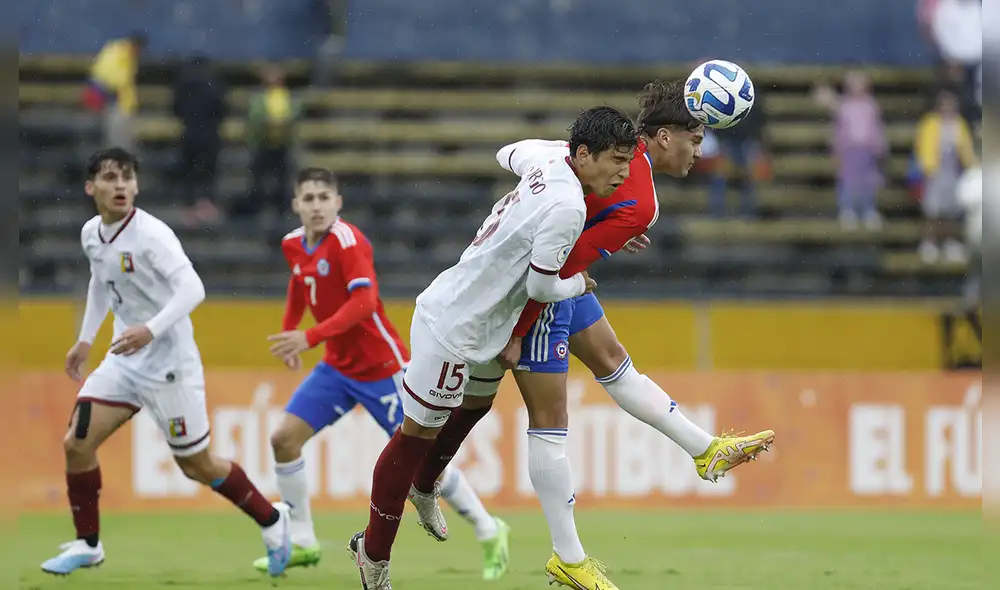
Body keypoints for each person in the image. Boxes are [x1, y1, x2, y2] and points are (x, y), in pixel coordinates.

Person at [405, 81, 775, 590]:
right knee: (548, 419)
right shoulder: (639, 200)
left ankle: (704, 448)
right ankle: (568, 557)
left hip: (545, 281)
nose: (699, 152)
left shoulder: (618, 161)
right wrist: (518, 330)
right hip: (534, 294)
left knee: (614, 365)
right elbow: (555, 272)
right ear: (665, 137)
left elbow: (521, 160)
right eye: (695, 140)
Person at [348, 106, 639, 590]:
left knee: (476, 405)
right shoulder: (569, 207)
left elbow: (509, 151)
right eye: (617, 160)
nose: (624, 174)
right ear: (585, 154)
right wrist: (581, 284)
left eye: (628, 162)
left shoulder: (547, 160)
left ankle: (425, 485)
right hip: (454, 327)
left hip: (490, 326)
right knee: (414, 438)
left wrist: (554, 157)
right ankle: (373, 554)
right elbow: (543, 287)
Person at [42, 148, 292, 577]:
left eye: (127, 178)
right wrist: (85, 340)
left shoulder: (152, 236)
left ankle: (272, 520)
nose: (121, 185)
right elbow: (101, 280)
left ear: (136, 186)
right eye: (110, 178)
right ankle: (88, 544)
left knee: (197, 465)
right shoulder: (91, 234)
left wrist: (151, 329)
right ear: (91, 187)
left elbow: (193, 289)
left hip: (169, 363)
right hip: (124, 359)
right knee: (76, 443)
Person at [251, 168, 511, 580]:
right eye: (309, 198)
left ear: (338, 202)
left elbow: (365, 302)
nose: (317, 205)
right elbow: (300, 285)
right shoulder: (293, 244)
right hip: (337, 368)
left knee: (421, 460)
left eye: (324, 197)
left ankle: (488, 527)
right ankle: (302, 541)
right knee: (283, 439)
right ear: (296, 204)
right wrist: (290, 331)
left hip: (382, 368)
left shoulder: (349, 242)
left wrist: (309, 336)